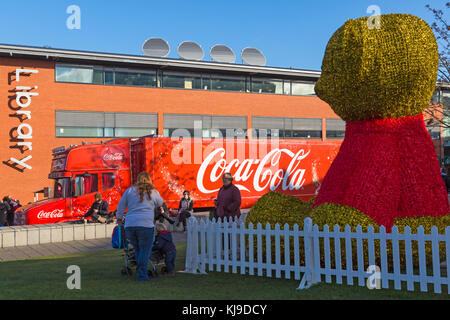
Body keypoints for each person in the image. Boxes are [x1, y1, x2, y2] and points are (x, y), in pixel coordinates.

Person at [116, 172, 164, 282]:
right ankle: (142, 276)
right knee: (145, 251)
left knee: (138, 250)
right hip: (145, 225)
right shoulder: (153, 191)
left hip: (130, 225)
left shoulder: (130, 190)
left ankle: (140, 271)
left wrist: (119, 219)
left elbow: (121, 205)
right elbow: (160, 202)